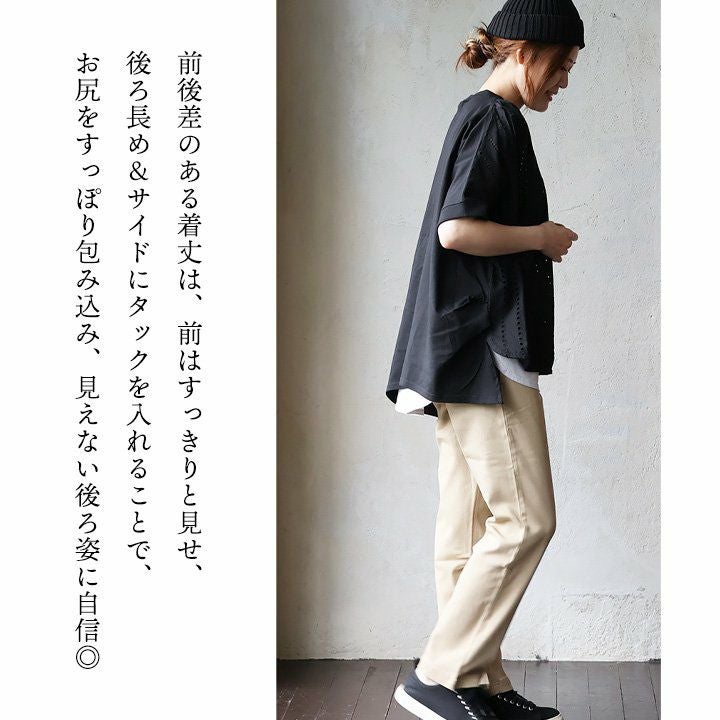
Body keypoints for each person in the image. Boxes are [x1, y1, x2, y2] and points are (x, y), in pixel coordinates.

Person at [386, 1, 585, 719]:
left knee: (467, 528)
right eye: (561, 65)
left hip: (459, 348)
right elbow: (457, 230)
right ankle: (438, 676)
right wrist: (539, 235)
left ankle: (477, 684)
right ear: (525, 52)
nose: (564, 80)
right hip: (483, 350)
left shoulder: (483, 117)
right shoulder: (495, 120)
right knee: (527, 519)